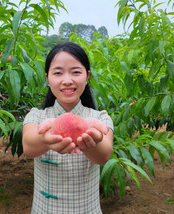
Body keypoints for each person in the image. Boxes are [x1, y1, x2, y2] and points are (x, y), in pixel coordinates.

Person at [22, 42, 114, 213]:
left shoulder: (99, 118)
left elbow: (104, 154)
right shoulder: (37, 116)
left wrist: (92, 140)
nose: (67, 81)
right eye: (57, 73)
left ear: (87, 76)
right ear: (47, 77)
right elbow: (28, 146)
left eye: (76, 72)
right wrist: (45, 139)